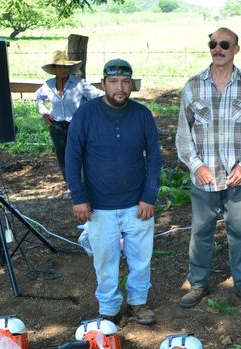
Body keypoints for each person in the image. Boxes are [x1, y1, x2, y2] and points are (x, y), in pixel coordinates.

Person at [176, 27, 241, 309]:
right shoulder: (193, 85)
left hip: (237, 178)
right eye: (213, 43)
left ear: (236, 49)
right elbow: (183, 134)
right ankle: (199, 284)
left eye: (224, 44)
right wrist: (196, 165)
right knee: (201, 232)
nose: (218, 48)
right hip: (204, 178)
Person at [65, 58, 161, 325]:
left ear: (132, 84)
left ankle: (138, 303)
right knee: (105, 262)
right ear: (103, 83)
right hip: (98, 205)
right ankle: (108, 308)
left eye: (125, 81)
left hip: (137, 203)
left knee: (141, 258)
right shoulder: (86, 114)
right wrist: (79, 197)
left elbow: (154, 157)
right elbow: (72, 157)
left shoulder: (142, 114)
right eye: (114, 82)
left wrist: (149, 196)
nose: (120, 87)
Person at [35, 50, 103, 182]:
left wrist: (113, 98)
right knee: (63, 157)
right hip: (57, 127)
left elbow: (97, 95)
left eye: (66, 66)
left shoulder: (79, 83)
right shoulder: (48, 85)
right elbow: (38, 97)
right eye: (60, 67)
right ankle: (71, 186)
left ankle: (87, 184)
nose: (63, 70)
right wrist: (44, 112)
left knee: (81, 155)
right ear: (54, 69)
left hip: (77, 126)